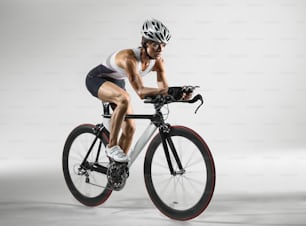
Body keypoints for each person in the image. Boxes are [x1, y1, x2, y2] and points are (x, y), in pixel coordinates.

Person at [86, 19, 184, 163]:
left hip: (117, 82)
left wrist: (181, 94)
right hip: (96, 79)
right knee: (124, 98)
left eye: (163, 45)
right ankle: (112, 146)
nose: (160, 49)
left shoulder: (158, 62)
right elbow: (140, 92)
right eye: (156, 44)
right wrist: (168, 92)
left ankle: (117, 170)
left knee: (130, 128)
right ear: (145, 42)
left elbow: (164, 90)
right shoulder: (129, 59)